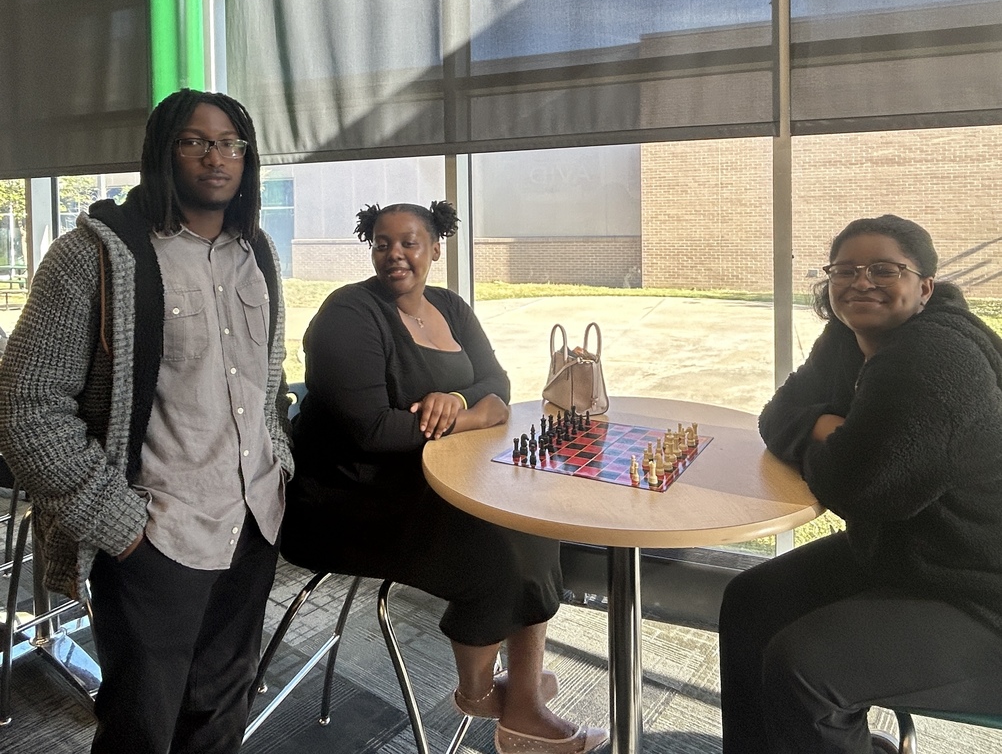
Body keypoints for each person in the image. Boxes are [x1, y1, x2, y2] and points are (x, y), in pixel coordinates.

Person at [0, 89, 292, 754]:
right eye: (196, 140)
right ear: (163, 151)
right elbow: (23, 407)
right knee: (141, 730)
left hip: (253, 524)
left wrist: (279, 458)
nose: (216, 155)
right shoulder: (94, 257)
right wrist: (121, 525)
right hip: (157, 536)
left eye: (231, 142)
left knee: (221, 716)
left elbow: (266, 376)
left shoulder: (260, 253)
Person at [281, 201, 606, 754]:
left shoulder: (450, 307)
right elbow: (373, 433)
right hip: (349, 499)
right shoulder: (348, 315)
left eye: (409, 242)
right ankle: (482, 693)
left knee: (533, 519)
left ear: (435, 248)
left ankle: (523, 699)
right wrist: (473, 415)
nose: (396, 254)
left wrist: (456, 400)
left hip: (428, 481)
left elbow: (496, 381)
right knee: (496, 548)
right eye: (383, 243)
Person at [718, 214, 1002, 754]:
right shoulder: (853, 333)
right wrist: (830, 429)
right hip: (912, 557)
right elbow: (777, 412)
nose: (861, 282)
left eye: (884, 269)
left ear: (925, 286)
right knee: (752, 600)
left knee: (806, 665)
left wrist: (831, 438)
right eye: (844, 269)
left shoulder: (935, 354)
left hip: (981, 591)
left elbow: (861, 487)